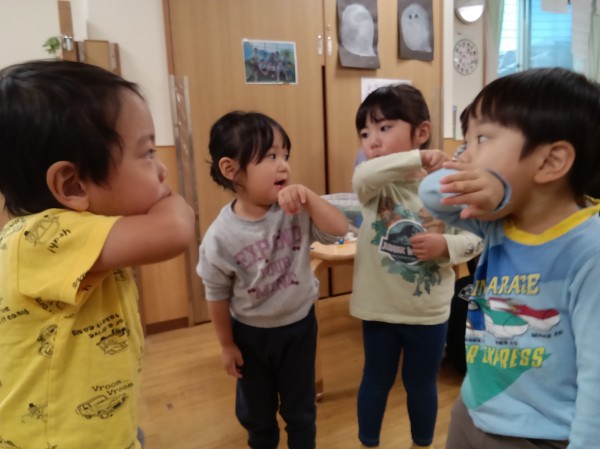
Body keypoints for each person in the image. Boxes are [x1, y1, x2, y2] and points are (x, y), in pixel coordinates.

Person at [0, 60, 195, 449]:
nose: (161, 171)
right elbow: (175, 230)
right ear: (72, 185)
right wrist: (171, 198)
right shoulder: (40, 237)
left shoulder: (79, 234)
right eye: (148, 153)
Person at [419, 67, 600, 449]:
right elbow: (432, 193)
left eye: (481, 138)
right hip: (472, 409)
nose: (464, 156)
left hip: (539, 435)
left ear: (550, 162)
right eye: (465, 142)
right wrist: (498, 192)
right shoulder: (499, 222)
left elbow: (596, 378)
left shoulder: (588, 252)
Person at [196, 111, 348, 449]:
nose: (283, 166)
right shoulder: (220, 236)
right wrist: (226, 345)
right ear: (230, 169)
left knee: (301, 412)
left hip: (299, 327)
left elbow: (338, 229)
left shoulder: (296, 210)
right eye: (270, 156)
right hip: (250, 336)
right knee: (258, 416)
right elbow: (216, 294)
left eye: (285, 155)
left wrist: (308, 196)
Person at [350, 84, 481, 449]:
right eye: (365, 134)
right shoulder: (375, 188)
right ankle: (367, 443)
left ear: (421, 132)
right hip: (379, 309)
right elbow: (362, 176)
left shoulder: (447, 187)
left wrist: (445, 245)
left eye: (384, 127)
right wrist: (416, 158)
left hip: (428, 313)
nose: (373, 141)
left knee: (421, 384)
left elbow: (475, 239)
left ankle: (422, 443)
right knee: (375, 380)